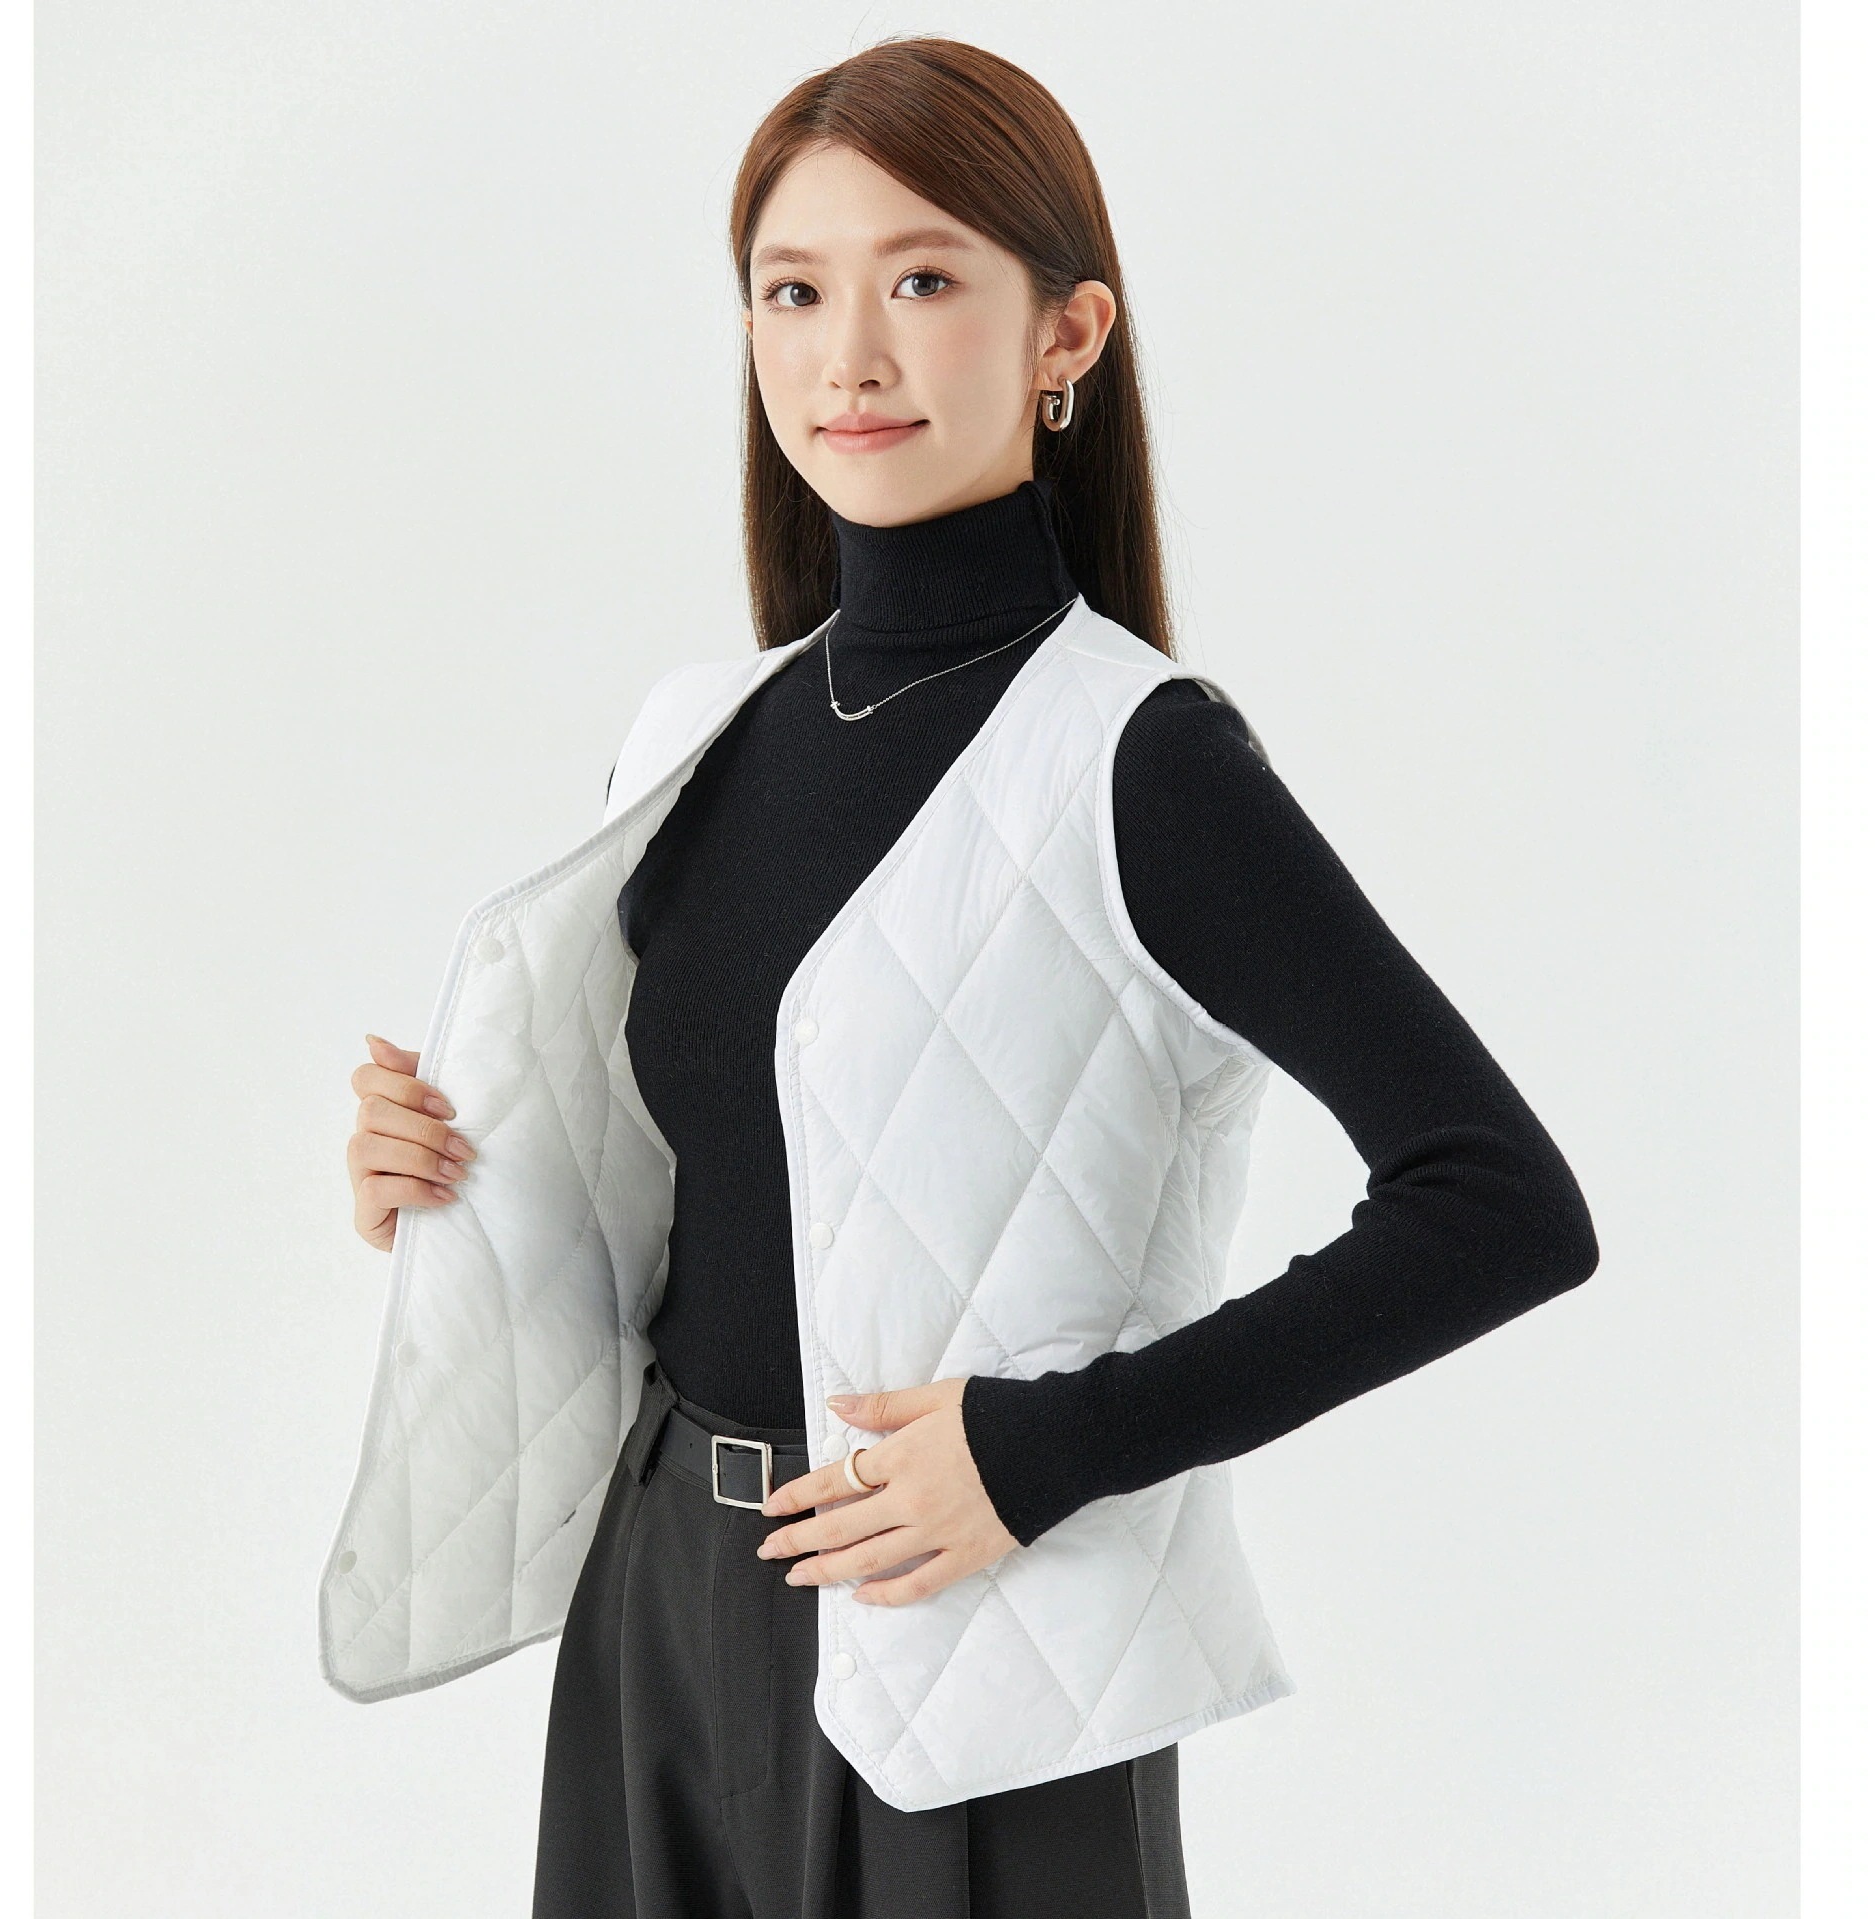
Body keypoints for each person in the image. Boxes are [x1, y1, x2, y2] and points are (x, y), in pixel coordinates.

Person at [332, 36, 1598, 1919]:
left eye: (922, 280)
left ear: (1067, 333)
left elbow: (1500, 1205)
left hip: (977, 1651)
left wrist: (1050, 1449)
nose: (850, 354)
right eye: (795, 291)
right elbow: (714, 1184)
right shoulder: (697, 736)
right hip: (658, 1605)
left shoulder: (1141, 759)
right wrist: (442, 1177)